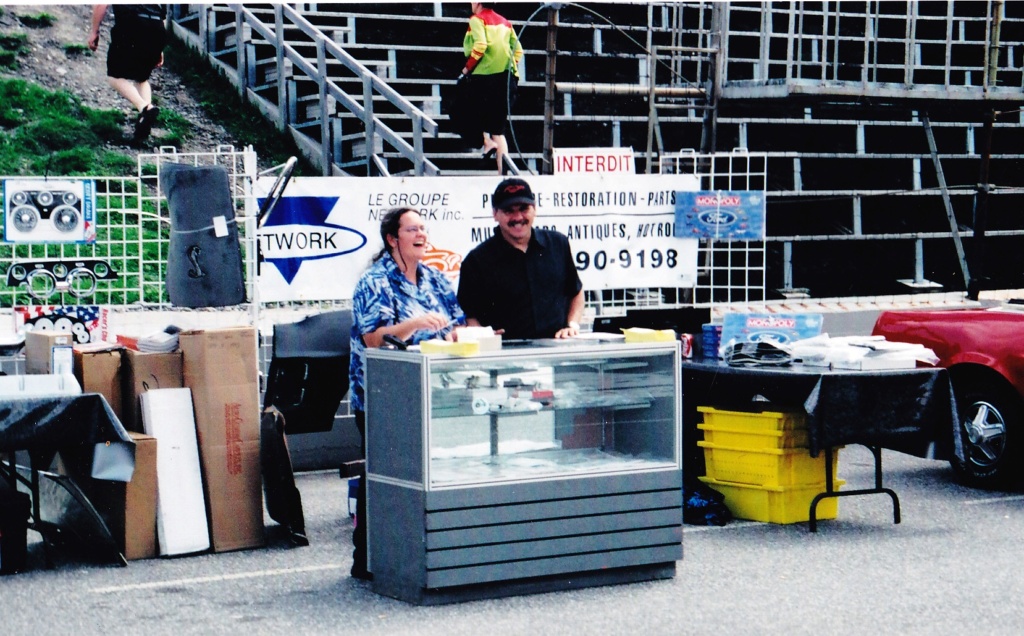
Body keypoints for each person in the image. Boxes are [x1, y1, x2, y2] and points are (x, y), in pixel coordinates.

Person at [347, 207, 465, 580]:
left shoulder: (434, 278)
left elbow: (457, 322)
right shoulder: (374, 281)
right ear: (392, 239)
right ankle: (367, 559)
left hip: (433, 391)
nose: (421, 234)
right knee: (384, 476)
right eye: (412, 229)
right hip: (384, 396)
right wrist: (414, 324)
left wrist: (458, 335)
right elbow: (372, 338)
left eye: (423, 228)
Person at [458, 177, 584, 340]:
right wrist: (484, 338)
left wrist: (572, 325)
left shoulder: (558, 244)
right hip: (504, 357)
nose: (518, 217)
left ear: (534, 209)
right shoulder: (476, 261)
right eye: (509, 210)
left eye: (524, 208)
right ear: (495, 214)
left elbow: (576, 291)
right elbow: (469, 314)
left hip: (558, 351)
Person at [458, 3, 523, 174]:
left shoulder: (477, 20)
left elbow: (480, 46)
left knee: (462, 109)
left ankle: (487, 143)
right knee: (498, 129)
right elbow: (518, 52)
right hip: (507, 79)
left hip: (484, 78)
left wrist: (466, 69)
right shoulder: (506, 22)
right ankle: (503, 174)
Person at [88, 4, 167, 143]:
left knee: (114, 76)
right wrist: (160, 48)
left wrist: (94, 31)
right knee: (141, 78)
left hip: (132, 24)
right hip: (157, 27)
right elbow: (162, 12)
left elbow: (101, 4)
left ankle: (145, 108)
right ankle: (144, 121)